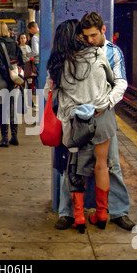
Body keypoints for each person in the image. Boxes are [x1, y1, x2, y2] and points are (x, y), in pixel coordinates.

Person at [53, 11, 135, 231]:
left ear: (102, 30)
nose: (89, 40)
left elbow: (120, 83)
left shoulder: (111, 52)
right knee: (78, 167)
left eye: (93, 36)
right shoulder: (78, 56)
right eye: (85, 36)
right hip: (89, 119)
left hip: (97, 114)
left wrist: (104, 104)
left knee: (108, 166)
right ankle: (71, 213)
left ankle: (116, 212)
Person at [46, 19, 117, 233]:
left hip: (76, 124)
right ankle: (102, 214)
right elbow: (111, 82)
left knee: (74, 168)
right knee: (102, 166)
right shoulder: (98, 55)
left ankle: (77, 217)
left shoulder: (60, 66)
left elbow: (52, 94)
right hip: (101, 119)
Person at [0, 21, 23, 147]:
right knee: (12, 108)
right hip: (14, 79)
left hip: (0, 79)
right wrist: (15, 80)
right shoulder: (14, 44)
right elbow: (20, 61)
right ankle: (14, 137)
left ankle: (4, 138)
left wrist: (8, 79)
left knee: (2, 109)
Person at [27, 21, 40, 89]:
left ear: (32, 28)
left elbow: (35, 52)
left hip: (38, 61)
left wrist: (28, 54)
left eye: (30, 31)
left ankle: (38, 94)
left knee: (38, 78)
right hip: (45, 60)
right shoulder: (43, 34)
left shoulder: (35, 37)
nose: (30, 32)